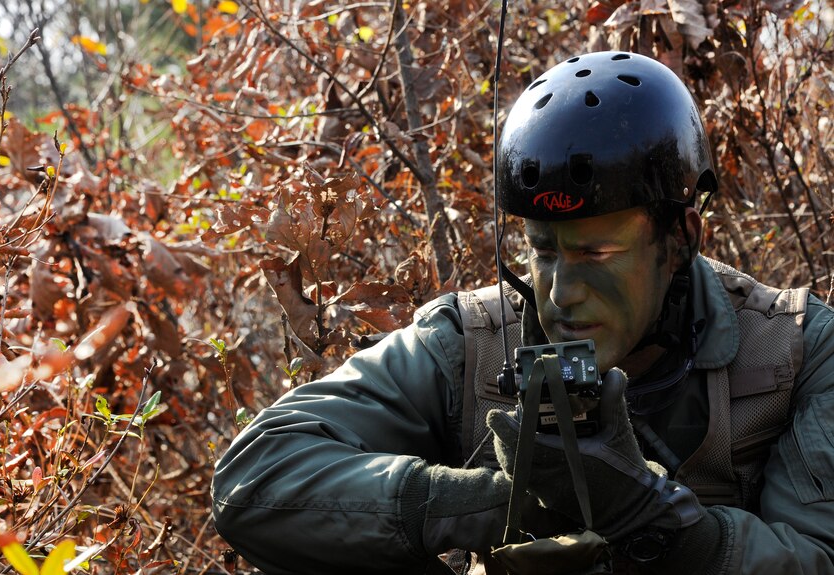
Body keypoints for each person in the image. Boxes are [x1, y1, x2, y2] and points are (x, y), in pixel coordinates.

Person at [211, 51, 834, 574]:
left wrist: (654, 521)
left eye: (595, 251)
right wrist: (491, 502)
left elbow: (817, 558)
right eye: (543, 249)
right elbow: (254, 478)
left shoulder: (796, 351)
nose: (561, 292)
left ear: (679, 239)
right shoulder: (470, 343)